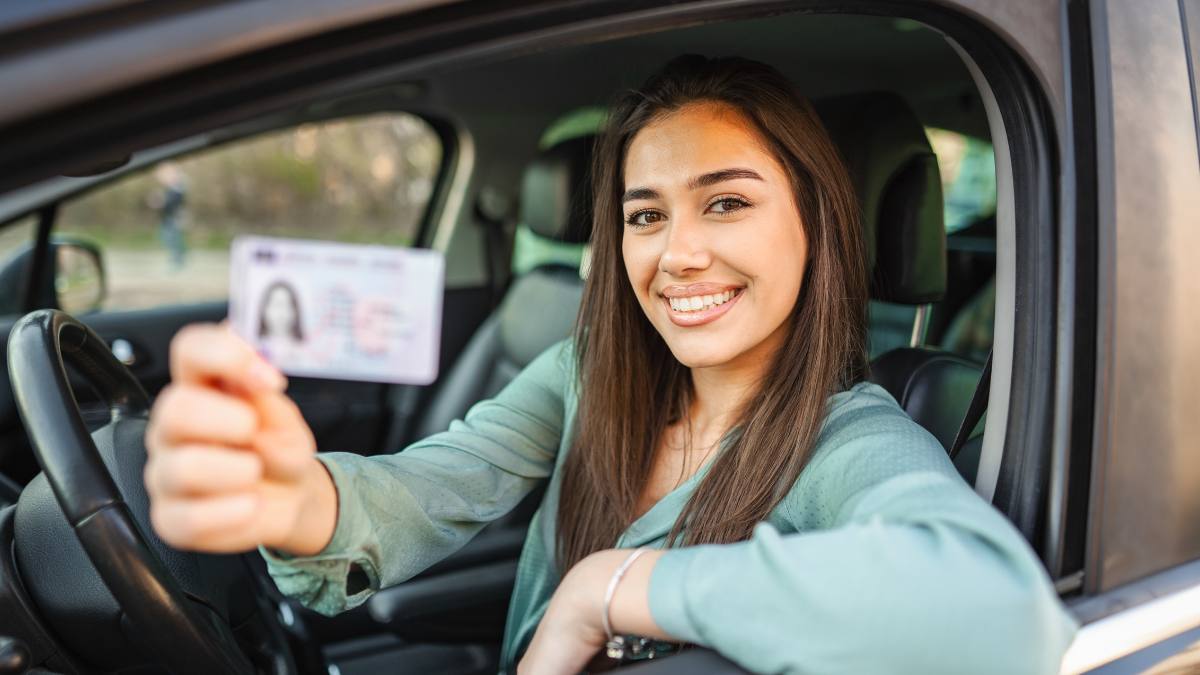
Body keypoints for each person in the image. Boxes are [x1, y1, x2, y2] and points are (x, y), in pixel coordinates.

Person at [143, 55, 1078, 674]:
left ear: (817, 223)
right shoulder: (586, 370)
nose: (676, 254)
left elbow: (998, 614)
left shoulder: (851, 439)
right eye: (644, 214)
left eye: (725, 204)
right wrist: (293, 499)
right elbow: (435, 484)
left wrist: (606, 589)